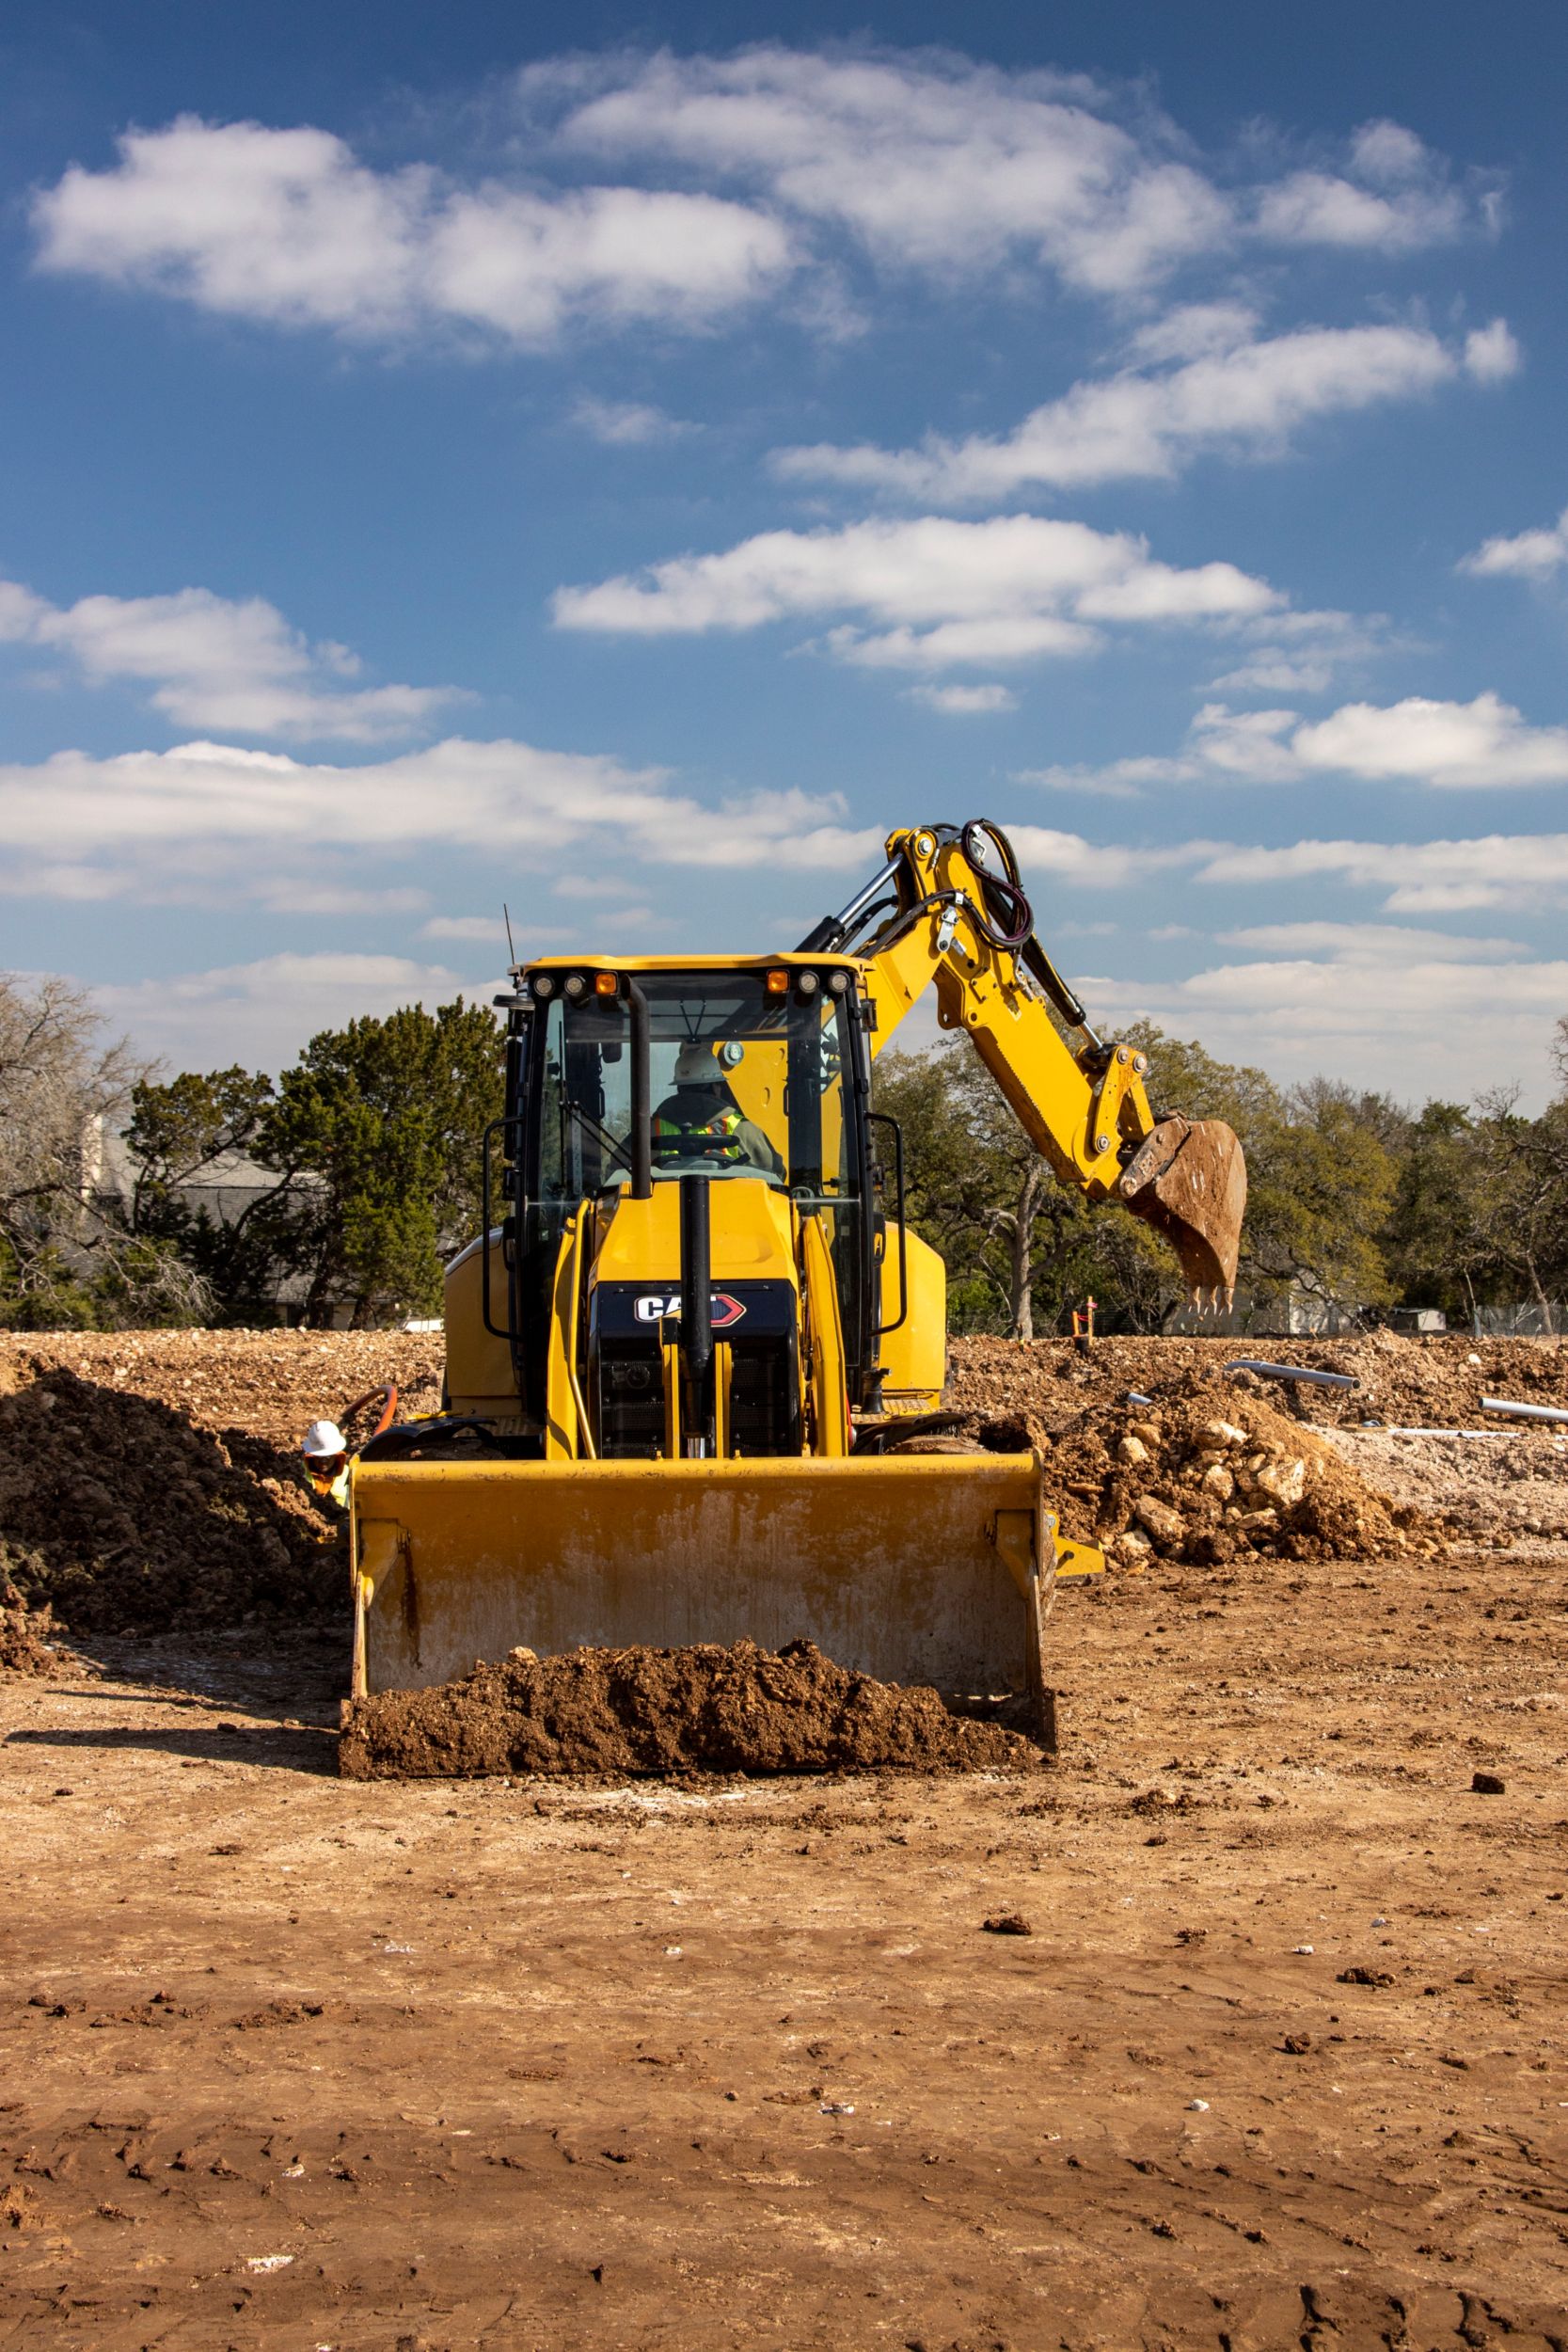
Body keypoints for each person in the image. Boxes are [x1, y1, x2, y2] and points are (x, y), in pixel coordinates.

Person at [651, 1041, 784, 1178]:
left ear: (679, 1087)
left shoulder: (651, 1129)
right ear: (716, 1087)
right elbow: (776, 1172)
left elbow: (628, 1167)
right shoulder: (740, 1128)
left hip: (668, 1199)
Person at [301, 1418, 351, 1510]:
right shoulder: (299, 1472)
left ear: (336, 1454)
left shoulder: (349, 1475)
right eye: (318, 1456)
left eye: (328, 1456)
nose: (323, 1460)